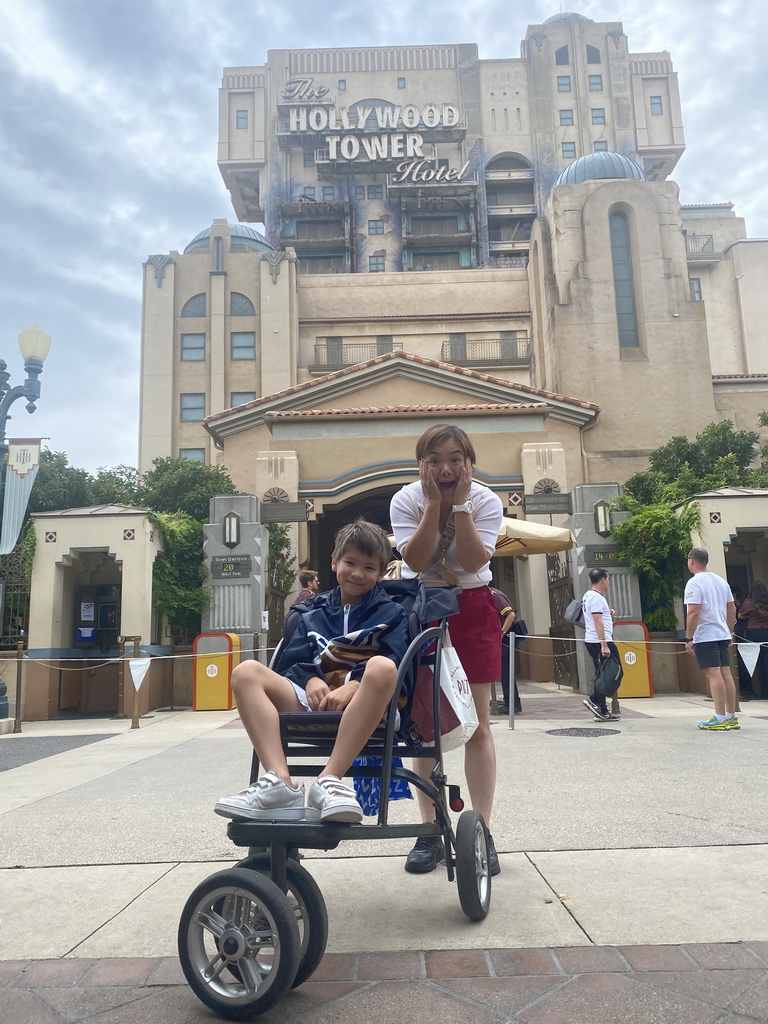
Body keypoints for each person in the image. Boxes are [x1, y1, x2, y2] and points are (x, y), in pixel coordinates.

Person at [214, 520, 409, 823]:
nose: (358, 573)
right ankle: (280, 782)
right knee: (246, 672)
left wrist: (354, 684)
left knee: (382, 666)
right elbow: (289, 663)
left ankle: (330, 779)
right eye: (350, 562)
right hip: (313, 701)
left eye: (369, 568)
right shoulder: (310, 612)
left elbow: (398, 661)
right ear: (334, 563)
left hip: (371, 706)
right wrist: (311, 678)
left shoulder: (393, 613)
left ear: (382, 572)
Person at [390, 424, 504, 875]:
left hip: (474, 608)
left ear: (469, 462)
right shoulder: (406, 500)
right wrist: (435, 506)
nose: (445, 468)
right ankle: (428, 829)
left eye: (455, 458)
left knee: (476, 725)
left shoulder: (487, 500)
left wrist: (461, 508)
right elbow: (415, 562)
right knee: (426, 725)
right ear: (421, 463)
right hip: (425, 609)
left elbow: (476, 561)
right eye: (434, 459)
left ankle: (482, 832)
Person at [684, 547, 739, 731]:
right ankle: (731, 716)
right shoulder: (721, 581)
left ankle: (719, 716)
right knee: (725, 673)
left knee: (713, 674)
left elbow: (693, 612)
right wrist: (729, 631)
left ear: (692, 561)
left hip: (705, 634)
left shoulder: (694, 583)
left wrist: (689, 637)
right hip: (722, 633)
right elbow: (732, 610)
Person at [581, 568, 621, 722]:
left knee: (602, 674)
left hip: (594, 640)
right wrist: (604, 645)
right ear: (603, 579)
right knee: (613, 672)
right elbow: (597, 621)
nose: (609, 583)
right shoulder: (597, 598)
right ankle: (594, 699)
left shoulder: (588, 595)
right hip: (600, 641)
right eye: (608, 579)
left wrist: (607, 612)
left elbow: (597, 616)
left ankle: (602, 710)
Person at [489, 586, 523, 715]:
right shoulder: (493, 594)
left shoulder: (495, 595)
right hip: (507, 635)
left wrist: (501, 633)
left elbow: (510, 615)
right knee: (505, 670)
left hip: (508, 635)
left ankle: (512, 704)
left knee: (506, 670)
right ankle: (513, 702)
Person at [735, 580, 768, 700]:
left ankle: (764, 692)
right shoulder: (766, 601)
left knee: (759, 663)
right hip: (767, 632)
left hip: (753, 633)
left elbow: (740, 616)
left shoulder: (749, 603)